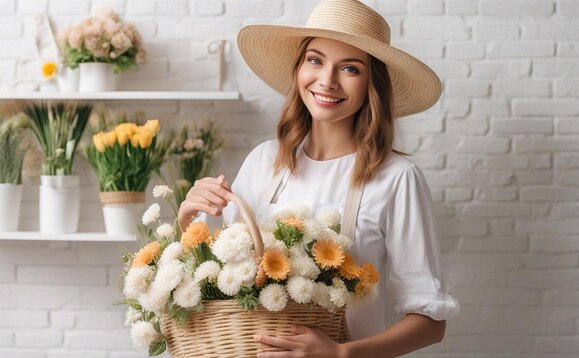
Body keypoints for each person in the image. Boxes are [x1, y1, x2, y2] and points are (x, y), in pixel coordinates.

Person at [178, 0, 460, 356]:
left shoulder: (397, 179)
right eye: (315, 60)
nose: (326, 80)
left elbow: (430, 323)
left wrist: (342, 354)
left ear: (372, 84)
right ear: (299, 69)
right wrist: (191, 220)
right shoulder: (264, 161)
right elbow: (220, 282)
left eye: (350, 69)